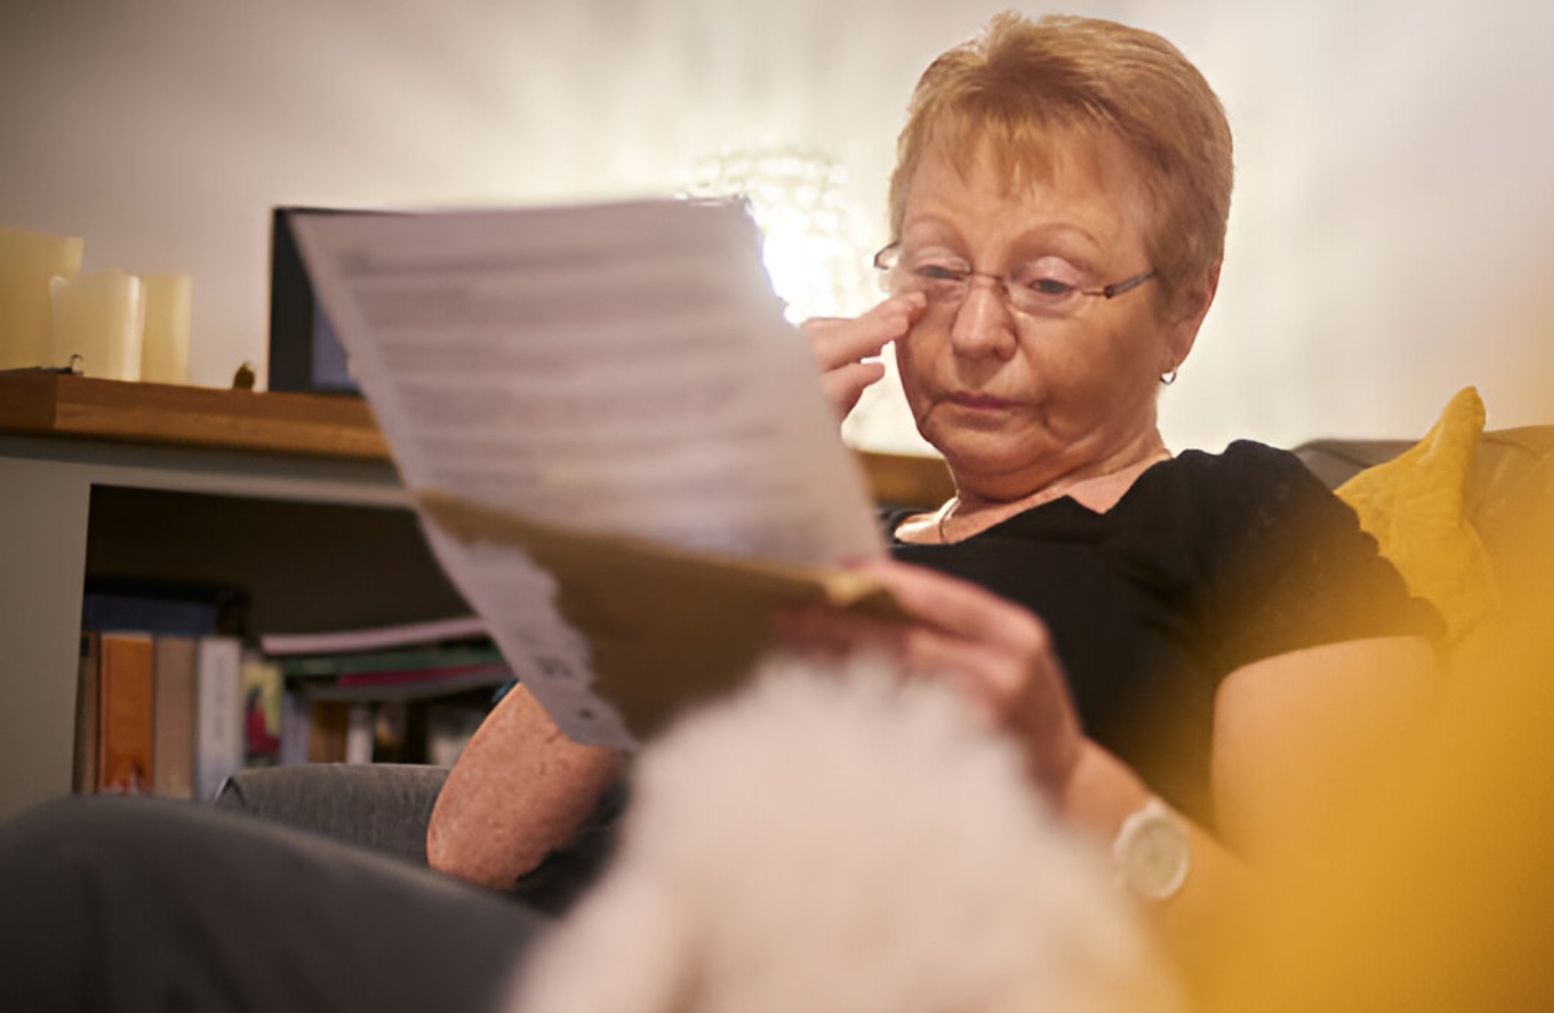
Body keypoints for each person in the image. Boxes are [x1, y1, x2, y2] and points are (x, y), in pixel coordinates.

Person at [0, 13, 1437, 1012]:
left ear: (1183, 309)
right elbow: (467, 847)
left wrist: (1068, 781)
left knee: (86, 874)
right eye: (936, 270)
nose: (976, 332)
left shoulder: (1249, 520)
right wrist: (706, 498)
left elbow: (1378, 959)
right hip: (581, 965)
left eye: (1050, 282)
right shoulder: (815, 540)